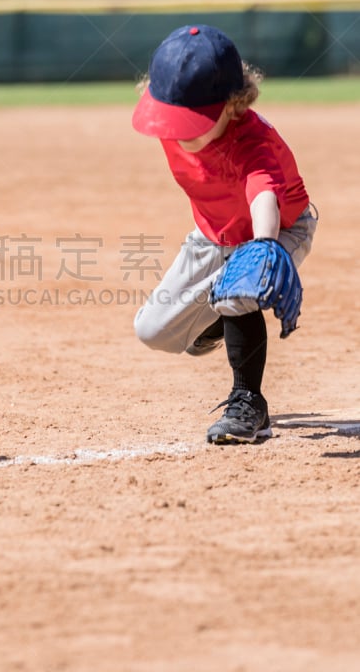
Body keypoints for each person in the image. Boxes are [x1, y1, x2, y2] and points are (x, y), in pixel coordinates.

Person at [131, 24, 317, 444]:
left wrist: (264, 249)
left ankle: (248, 403)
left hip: (278, 229)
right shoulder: (171, 122)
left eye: (192, 123)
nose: (178, 133)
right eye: (171, 119)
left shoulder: (253, 143)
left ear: (233, 104)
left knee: (239, 289)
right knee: (153, 332)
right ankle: (218, 322)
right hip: (214, 233)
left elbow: (263, 198)